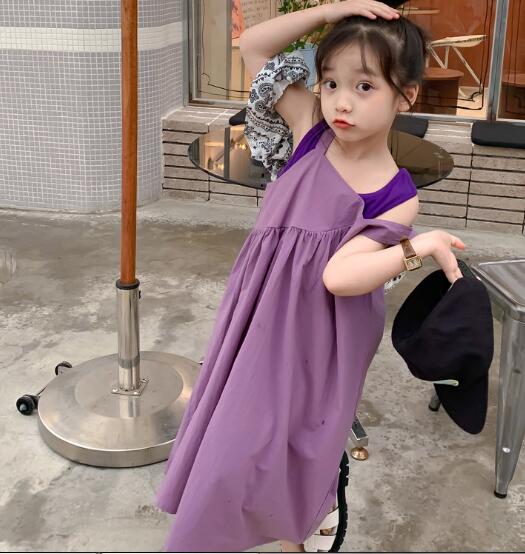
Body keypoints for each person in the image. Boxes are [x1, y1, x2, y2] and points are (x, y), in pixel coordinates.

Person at [155, 1, 466, 552]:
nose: (342, 102)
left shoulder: (396, 196)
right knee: (237, 435)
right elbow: (254, 46)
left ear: (406, 95)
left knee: (298, 436)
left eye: (365, 87)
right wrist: (336, 8)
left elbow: (340, 279)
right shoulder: (309, 132)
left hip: (324, 333)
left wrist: (417, 246)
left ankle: (294, 526)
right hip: (262, 310)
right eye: (330, 83)